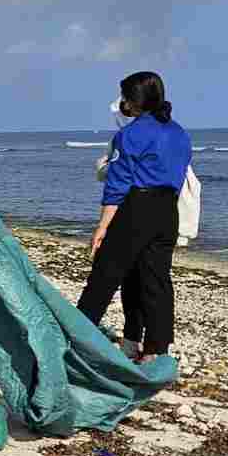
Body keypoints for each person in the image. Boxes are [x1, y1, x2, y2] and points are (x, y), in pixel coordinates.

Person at [78, 72, 191, 362]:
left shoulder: (128, 135)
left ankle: (77, 337)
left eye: (125, 97)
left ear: (132, 101)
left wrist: (102, 227)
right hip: (168, 209)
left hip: (137, 205)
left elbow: (117, 186)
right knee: (156, 279)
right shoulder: (180, 133)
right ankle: (156, 350)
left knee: (105, 274)